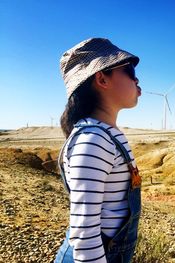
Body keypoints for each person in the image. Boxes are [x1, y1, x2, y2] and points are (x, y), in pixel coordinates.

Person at [54, 38, 142, 263]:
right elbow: (85, 234)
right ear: (101, 78)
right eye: (129, 71)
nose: (137, 79)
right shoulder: (92, 140)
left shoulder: (104, 134)